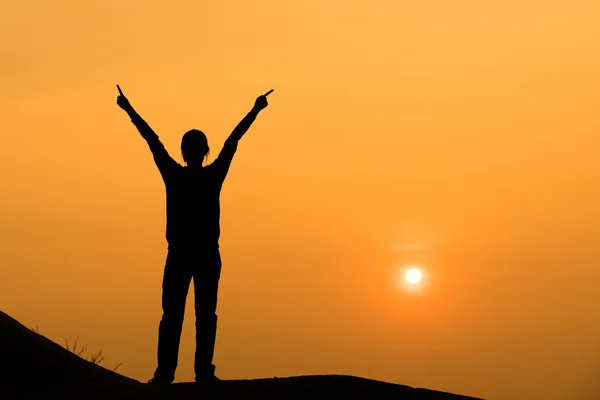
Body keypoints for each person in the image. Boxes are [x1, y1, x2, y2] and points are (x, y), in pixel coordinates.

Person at [116, 85, 273, 384]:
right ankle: (199, 373)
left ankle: (168, 374)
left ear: (186, 151)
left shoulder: (175, 175)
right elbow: (232, 141)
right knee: (202, 317)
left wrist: (129, 110)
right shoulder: (211, 175)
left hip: (184, 256)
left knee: (175, 316)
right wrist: (255, 110)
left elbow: (153, 141)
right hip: (202, 256)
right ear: (204, 151)